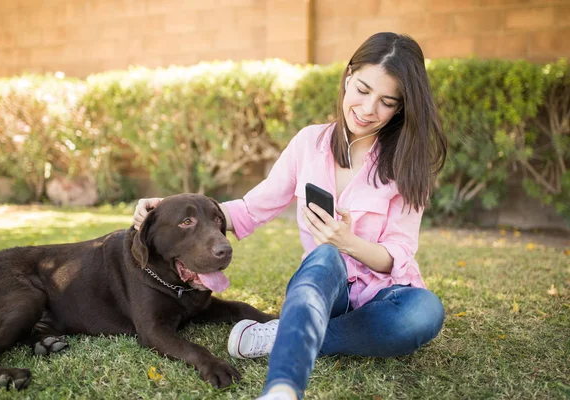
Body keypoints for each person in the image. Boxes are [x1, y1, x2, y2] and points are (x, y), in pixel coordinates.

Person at [133, 32, 448, 400]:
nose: (367, 109)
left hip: (383, 295)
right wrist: (166, 206)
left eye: (386, 102)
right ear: (348, 76)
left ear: (401, 108)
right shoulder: (309, 144)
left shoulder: (408, 166)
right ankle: (282, 388)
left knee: (424, 313)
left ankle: (281, 334)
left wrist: (350, 243)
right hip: (320, 290)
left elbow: (398, 253)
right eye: (362, 90)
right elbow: (253, 208)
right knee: (326, 256)